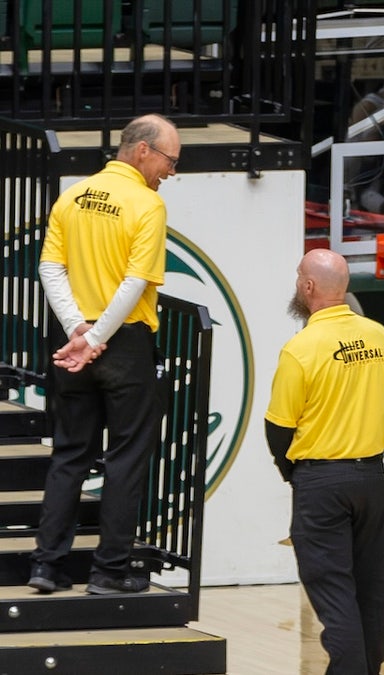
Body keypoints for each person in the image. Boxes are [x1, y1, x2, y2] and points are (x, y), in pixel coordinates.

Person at [29, 114, 178, 596]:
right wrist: (95, 339)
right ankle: (108, 572)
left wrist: (77, 328)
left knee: (70, 453)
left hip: (75, 341)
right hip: (123, 343)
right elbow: (136, 283)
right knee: (126, 457)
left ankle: (47, 567)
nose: (171, 171)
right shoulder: (147, 204)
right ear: (142, 152)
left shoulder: (72, 196)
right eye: (170, 160)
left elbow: (50, 268)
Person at [264, 249, 384, 675]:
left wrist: (294, 475)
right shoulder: (379, 336)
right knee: (372, 592)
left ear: (308, 287)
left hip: (321, 482)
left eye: (298, 277)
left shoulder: (300, 348)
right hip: (373, 478)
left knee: (334, 592)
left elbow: (279, 428)